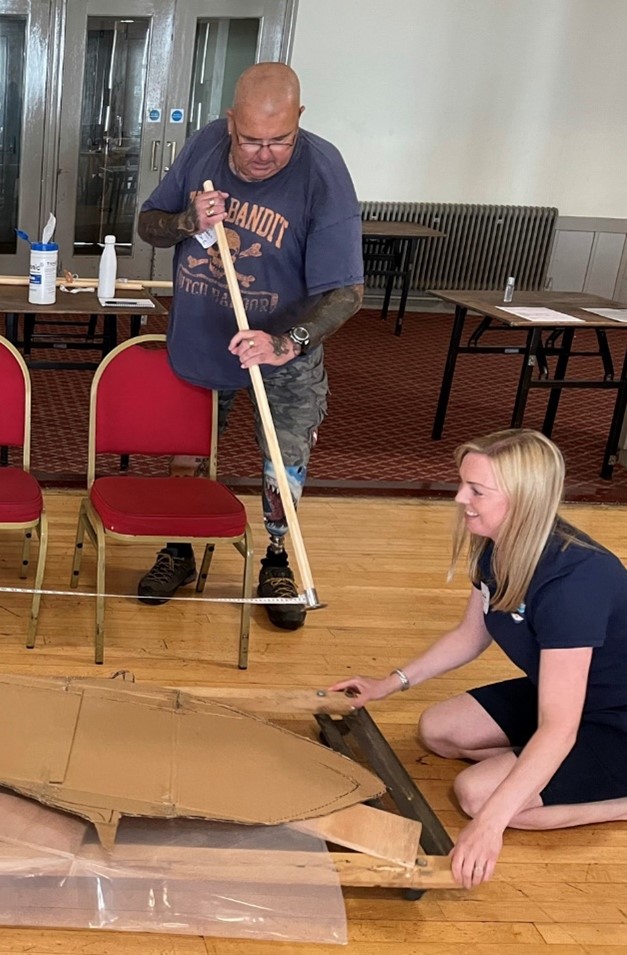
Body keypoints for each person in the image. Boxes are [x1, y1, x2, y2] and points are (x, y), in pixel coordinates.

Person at [331, 430, 627, 890]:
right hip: (569, 695)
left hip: (615, 720)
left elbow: (559, 727)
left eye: (476, 491)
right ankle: (539, 771)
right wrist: (388, 683)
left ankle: (615, 798)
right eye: (463, 484)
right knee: (439, 730)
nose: (459, 498)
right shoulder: (498, 543)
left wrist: (490, 826)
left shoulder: (576, 582)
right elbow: (471, 635)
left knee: (477, 796)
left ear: (523, 500)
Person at [134, 62, 363, 629]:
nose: (264, 154)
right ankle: (179, 549)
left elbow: (348, 292)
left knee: (283, 465)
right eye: (251, 140)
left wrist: (287, 342)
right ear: (229, 121)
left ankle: (279, 561)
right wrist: (189, 219)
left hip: (283, 350)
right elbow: (149, 224)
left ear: (299, 121)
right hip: (200, 341)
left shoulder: (324, 173)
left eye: (280, 141)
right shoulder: (205, 145)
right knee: (186, 456)